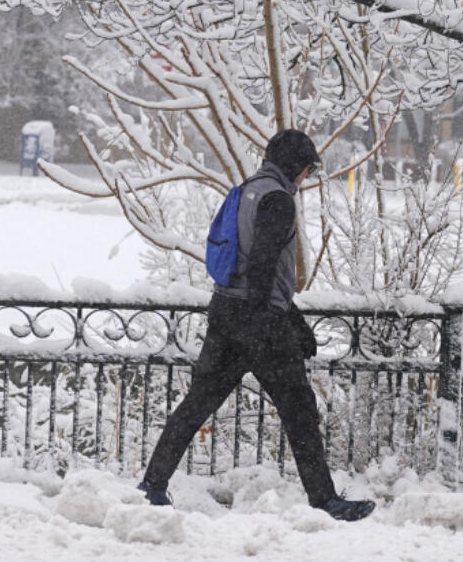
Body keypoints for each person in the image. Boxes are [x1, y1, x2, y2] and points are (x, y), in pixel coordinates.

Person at [137, 129, 376, 522]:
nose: (307, 179)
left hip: (225, 311)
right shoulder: (278, 200)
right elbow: (263, 265)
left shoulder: (247, 189)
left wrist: (291, 316)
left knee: (197, 403)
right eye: (308, 171)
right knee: (299, 410)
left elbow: (244, 261)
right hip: (259, 322)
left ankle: (153, 485)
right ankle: (325, 501)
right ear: (297, 167)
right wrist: (284, 324)